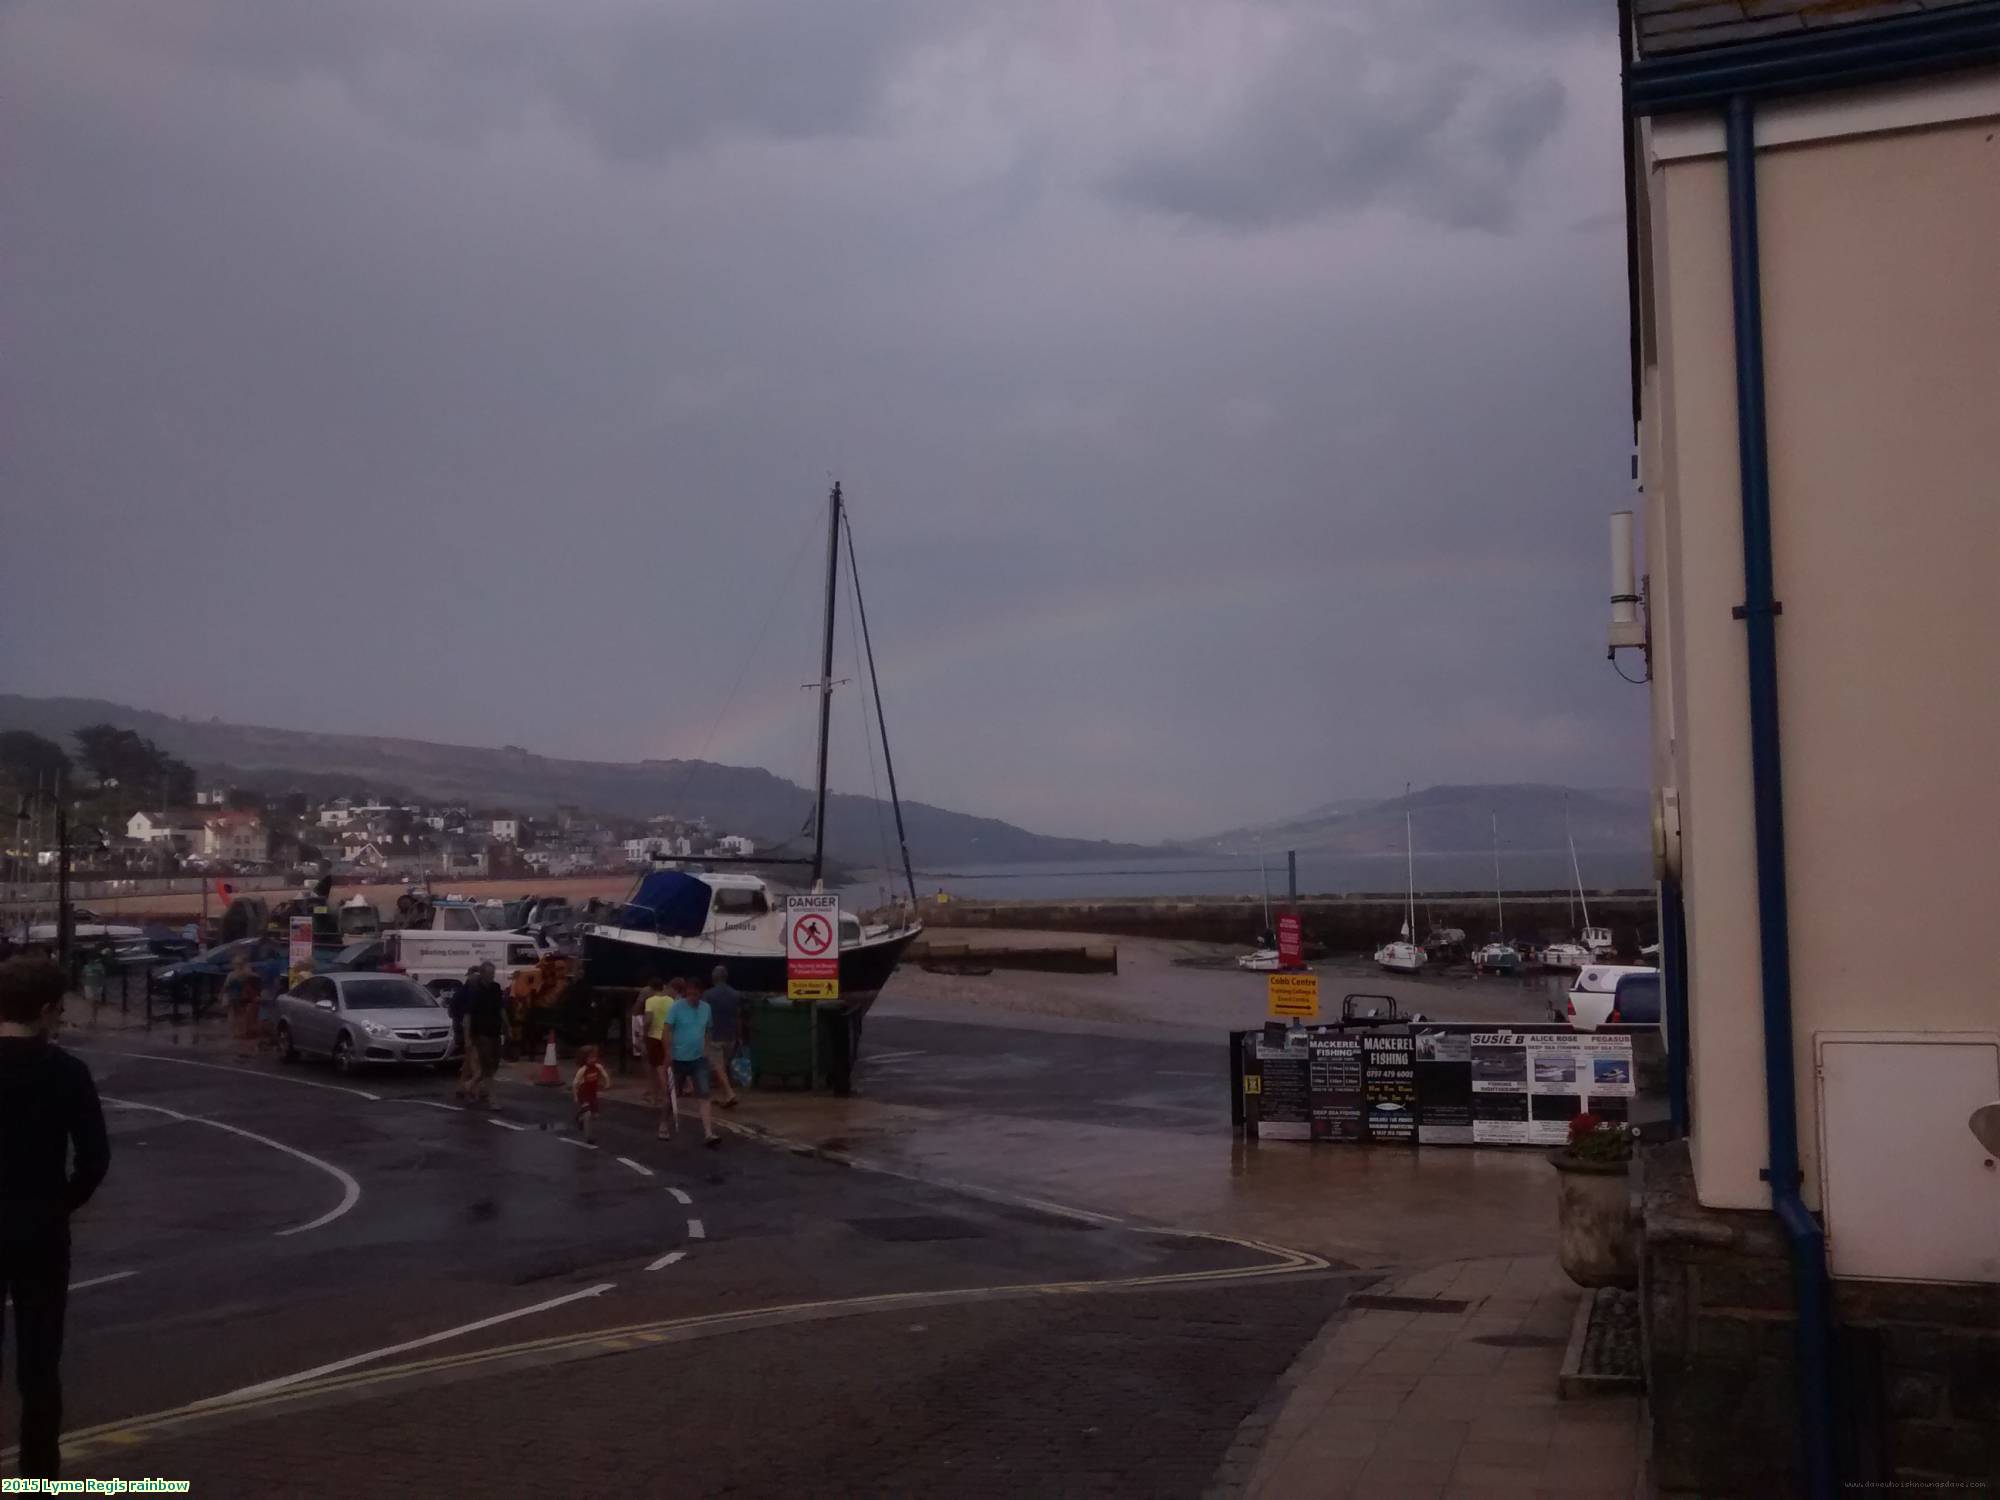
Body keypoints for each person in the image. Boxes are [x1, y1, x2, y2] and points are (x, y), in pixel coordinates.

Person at [0, 956, 110, 1481]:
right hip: (41, 1227)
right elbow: (94, 1159)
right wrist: (60, 1202)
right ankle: (38, 1477)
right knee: (40, 1363)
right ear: (46, 1010)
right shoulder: (67, 1072)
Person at [666, 980, 720, 1148]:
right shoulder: (676, 1007)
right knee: (672, 1095)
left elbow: (709, 1029)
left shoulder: (706, 1008)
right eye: (689, 994)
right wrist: (667, 1052)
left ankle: (708, 1132)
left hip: (698, 1058)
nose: (692, 998)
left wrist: (707, 1048)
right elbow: (667, 1029)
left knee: (704, 1093)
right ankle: (663, 1123)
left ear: (700, 994)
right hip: (678, 1057)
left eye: (695, 994)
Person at [462, 961, 506, 1109]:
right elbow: (467, 1015)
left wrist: (508, 1026)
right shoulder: (475, 991)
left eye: (493, 974)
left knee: (493, 1064)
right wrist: (467, 1038)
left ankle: (470, 1085)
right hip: (480, 1032)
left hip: (495, 1031)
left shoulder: (496, 988)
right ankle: (493, 1100)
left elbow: (501, 1008)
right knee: (487, 1065)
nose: (492, 977)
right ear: (482, 974)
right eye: (489, 974)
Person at [699, 968, 742, 1109]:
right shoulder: (735, 994)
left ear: (714, 978)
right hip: (730, 1035)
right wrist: (739, 1035)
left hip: (714, 1035)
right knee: (724, 1066)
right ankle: (724, 1096)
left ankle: (729, 1094)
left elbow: (703, 1016)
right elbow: (738, 1016)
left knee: (717, 1066)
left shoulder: (708, 995)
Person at [641, 977, 675, 1132]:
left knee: (657, 1067)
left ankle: (661, 1095)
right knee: (665, 1066)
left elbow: (648, 1020)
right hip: (668, 1036)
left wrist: (643, 1034)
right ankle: (662, 1095)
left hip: (654, 1036)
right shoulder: (671, 1000)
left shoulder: (650, 1001)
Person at [449, 965, 479, 1102]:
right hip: (465, 1030)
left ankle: (462, 1089)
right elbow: (453, 1012)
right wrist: (460, 1027)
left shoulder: (471, 991)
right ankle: (471, 1090)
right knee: (474, 1061)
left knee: (469, 1060)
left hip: (472, 1030)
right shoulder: (465, 992)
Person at [570, 1045, 611, 1145]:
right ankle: (589, 1137)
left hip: (593, 1094)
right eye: (590, 1058)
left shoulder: (598, 1067)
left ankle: (580, 1118)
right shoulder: (583, 1070)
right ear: (584, 1059)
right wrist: (575, 1095)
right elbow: (575, 1083)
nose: (593, 1060)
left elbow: (605, 1075)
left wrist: (607, 1083)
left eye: (594, 1057)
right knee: (588, 1114)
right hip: (583, 1094)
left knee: (595, 1115)